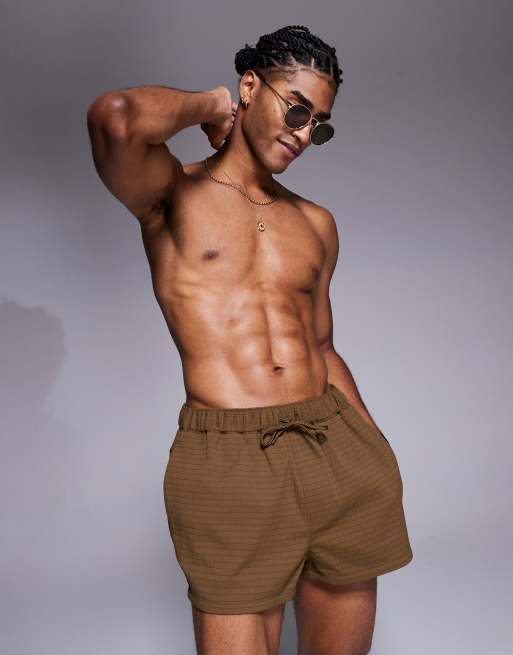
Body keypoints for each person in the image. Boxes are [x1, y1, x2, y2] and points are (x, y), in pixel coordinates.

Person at [86, 24, 413, 655]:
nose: (304, 134)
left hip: (335, 449)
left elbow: (321, 347)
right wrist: (213, 106)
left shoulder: (316, 223)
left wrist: (377, 454)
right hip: (229, 459)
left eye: (319, 125)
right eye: (296, 109)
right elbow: (115, 117)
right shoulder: (170, 196)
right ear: (250, 86)